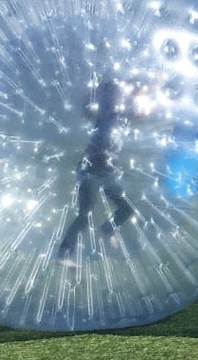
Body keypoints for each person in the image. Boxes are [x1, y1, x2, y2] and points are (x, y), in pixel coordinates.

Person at [54, 74, 137, 265]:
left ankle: (107, 230)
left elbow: (90, 107)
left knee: (125, 210)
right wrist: (106, 87)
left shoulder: (118, 118)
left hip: (105, 170)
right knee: (85, 215)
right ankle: (62, 255)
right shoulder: (109, 116)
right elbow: (91, 105)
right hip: (92, 169)